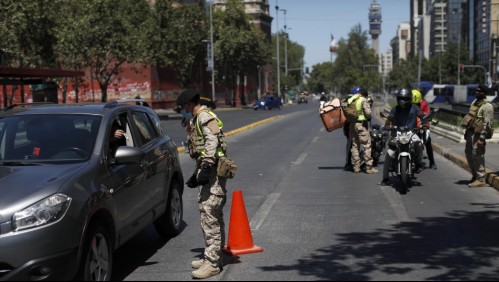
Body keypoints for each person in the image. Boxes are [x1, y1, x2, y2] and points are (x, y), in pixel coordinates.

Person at [176, 90, 228, 279]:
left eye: (184, 107)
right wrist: (197, 171)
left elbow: (212, 142)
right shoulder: (197, 118)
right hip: (208, 170)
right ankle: (214, 255)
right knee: (212, 214)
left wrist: (205, 167)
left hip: (213, 173)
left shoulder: (205, 117)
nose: (184, 111)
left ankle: (212, 263)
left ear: (190, 104)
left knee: (209, 215)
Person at [381, 88, 425, 186]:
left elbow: (421, 117)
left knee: (419, 144)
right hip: (397, 133)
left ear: (409, 99)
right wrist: (386, 126)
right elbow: (389, 120)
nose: (402, 101)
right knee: (390, 152)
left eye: (405, 99)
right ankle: (385, 178)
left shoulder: (415, 108)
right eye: (400, 98)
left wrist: (424, 123)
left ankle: (418, 164)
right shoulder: (395, 109)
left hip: (411, 132)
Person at [463, 84, 494, 188]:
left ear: (484, 93)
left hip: (479, 135)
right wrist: (466, 133)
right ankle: (475, 175)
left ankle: (480, 178)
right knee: (468, 153)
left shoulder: (487, 106)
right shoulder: (474, 103)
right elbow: (470, 118)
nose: (477, 92)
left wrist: (482, 139)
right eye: (476, 90)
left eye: (479, 91)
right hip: (471, 133)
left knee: (477, 155)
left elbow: (488, 124)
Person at [348, 88, 377, 174]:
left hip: (352, 125)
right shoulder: (363, 100)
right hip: (361, 125)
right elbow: (368, 113)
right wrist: (368, 117)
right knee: (366, 145)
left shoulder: (351, 99)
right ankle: (369, 167)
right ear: (364, 94)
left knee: (355, 145)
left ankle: (356, 167)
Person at [412, 89, 437, 170]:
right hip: (409, 126)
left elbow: (426, 115)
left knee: (428, 142)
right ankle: (393, 164)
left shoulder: (424, 104)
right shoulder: (407, 104)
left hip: (420, 126)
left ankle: (432, 162)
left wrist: (425, 125)